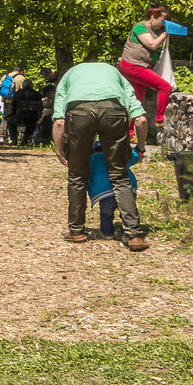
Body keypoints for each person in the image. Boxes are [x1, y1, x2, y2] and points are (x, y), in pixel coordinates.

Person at [51, 59, 150, 251]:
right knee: (120, 176)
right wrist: (142, 146)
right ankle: (133, 235)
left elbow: (60, 122)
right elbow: (140, 119)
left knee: (77, 175)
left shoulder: (70, 75)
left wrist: (58, 149)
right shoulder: (116, 75)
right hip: (114, 111)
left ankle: (76, 231)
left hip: (78, 113)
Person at [118, 5, 175, 126]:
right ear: (153, 17)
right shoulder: (140, 28)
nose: (162, 24)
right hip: (132, 66)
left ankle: (131, 133)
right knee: (165, 87)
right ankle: (160, 120)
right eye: (162, 21)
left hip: (137, 66)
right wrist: (165, 33)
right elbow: (152, 45)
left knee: (137, 102)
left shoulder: (152, 31)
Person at [12, 78, 44, 147]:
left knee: (9, 121)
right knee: (31, 124)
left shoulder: (17, 94)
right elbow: (41, 107)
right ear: (32, 85)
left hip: (20, 117)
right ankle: (25, 140)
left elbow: (12, 106)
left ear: (22, 85)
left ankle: (14, 141)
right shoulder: (37, 94)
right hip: (33, 118)